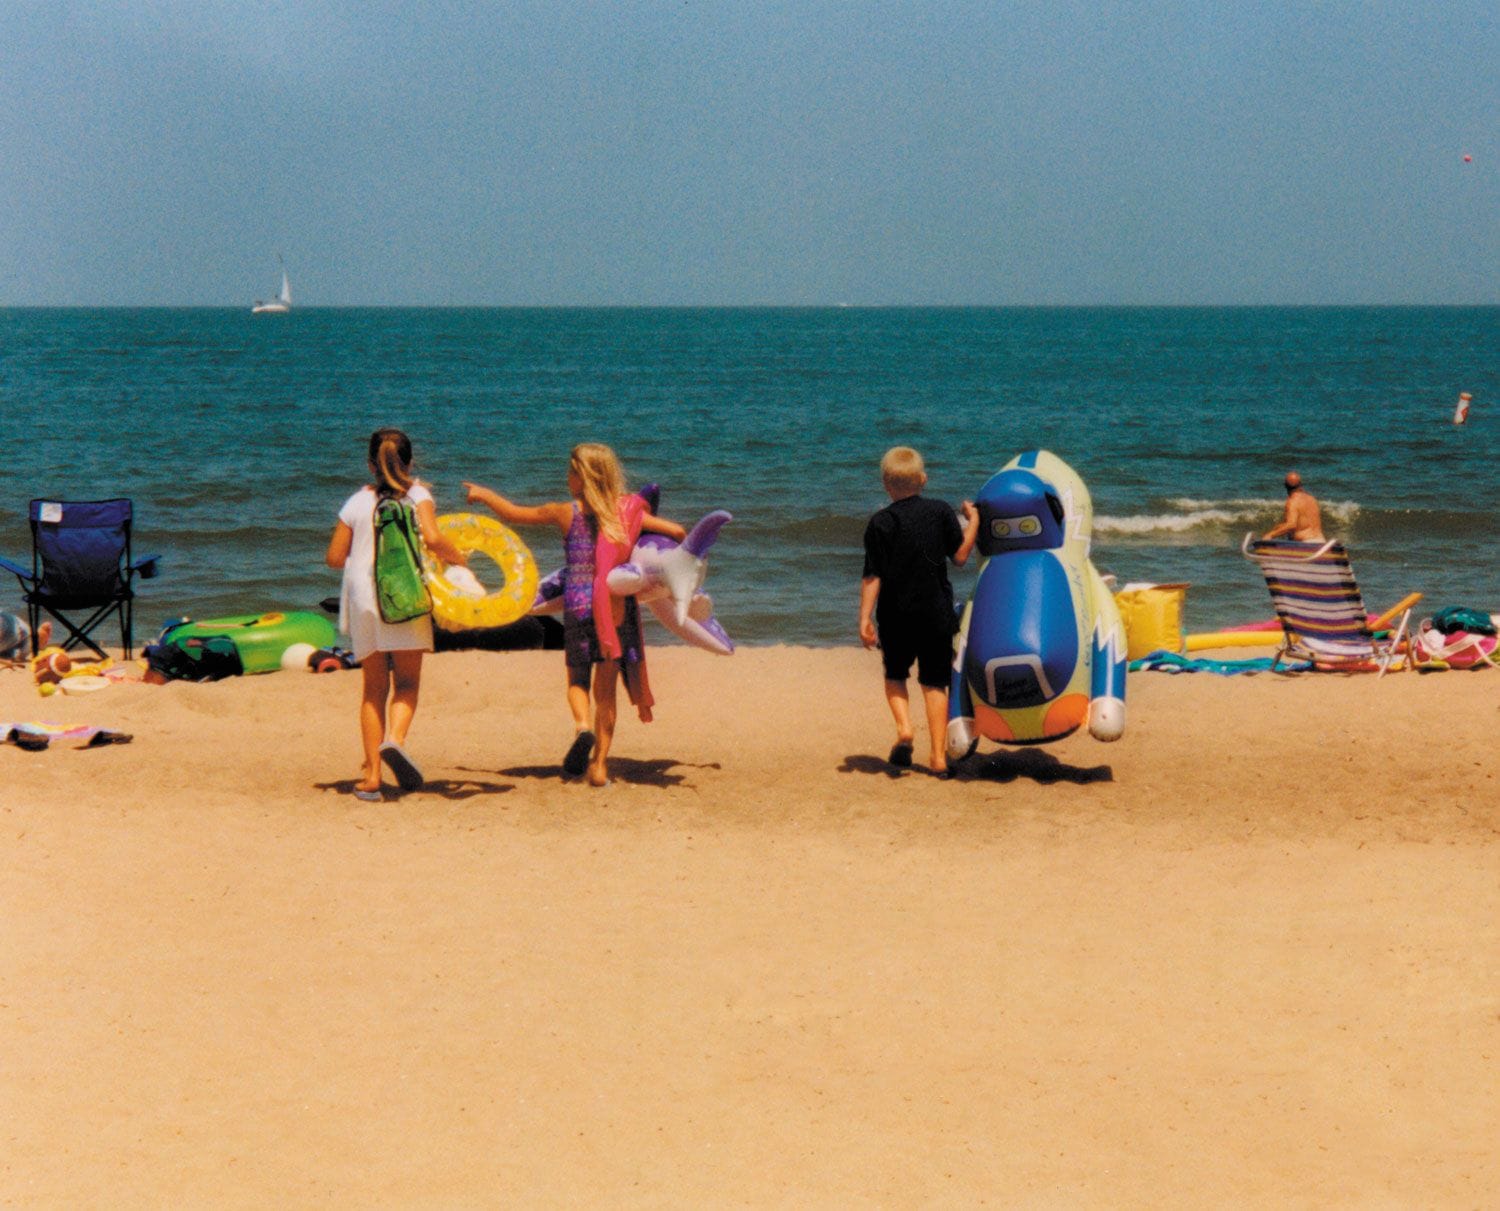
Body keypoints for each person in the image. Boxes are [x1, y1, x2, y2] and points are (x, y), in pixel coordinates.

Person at [464, 443, 686, 787]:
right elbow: (678, 533)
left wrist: (483, 494)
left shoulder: (564, 512)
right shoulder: (625, 512)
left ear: (580, 477)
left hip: (580, 602)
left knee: (577, 680)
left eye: (569, 472)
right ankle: (599, 767)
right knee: (607, 689)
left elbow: (513, 513)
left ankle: (582, 728)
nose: (566, 478)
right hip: (615, 603)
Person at [326, 428, 467, 801]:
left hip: (363, 598)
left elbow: (334, 558)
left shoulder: (357, 501)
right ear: (409, 462)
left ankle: (372, 776)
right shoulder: (418, 495)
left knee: (372, 689)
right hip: (404, 596)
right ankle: (395, 740)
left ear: (370, 464)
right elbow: (435, 539)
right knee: (406, 683)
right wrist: (459, 558)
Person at [859, 446, 980, 777]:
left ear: (886, 484)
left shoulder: (879, 523)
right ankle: (939, 759)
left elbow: (872, 575)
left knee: (895, 675)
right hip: (935, 613)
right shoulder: (940, 512)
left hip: (895, 615)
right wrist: (975, 522)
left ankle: (904, 730)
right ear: (923, 479)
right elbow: (960, 557)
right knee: (934, 683)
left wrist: (864, 618)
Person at [1263, 471, 1325, 542]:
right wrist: (1277, 528)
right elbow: (1304, 523)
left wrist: (1270, 535)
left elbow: (1291, 525)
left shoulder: (1292, 501)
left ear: (1285, 486)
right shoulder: (1312, 499)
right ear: (1300, 484)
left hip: (1306, 544)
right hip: (1321, 542)